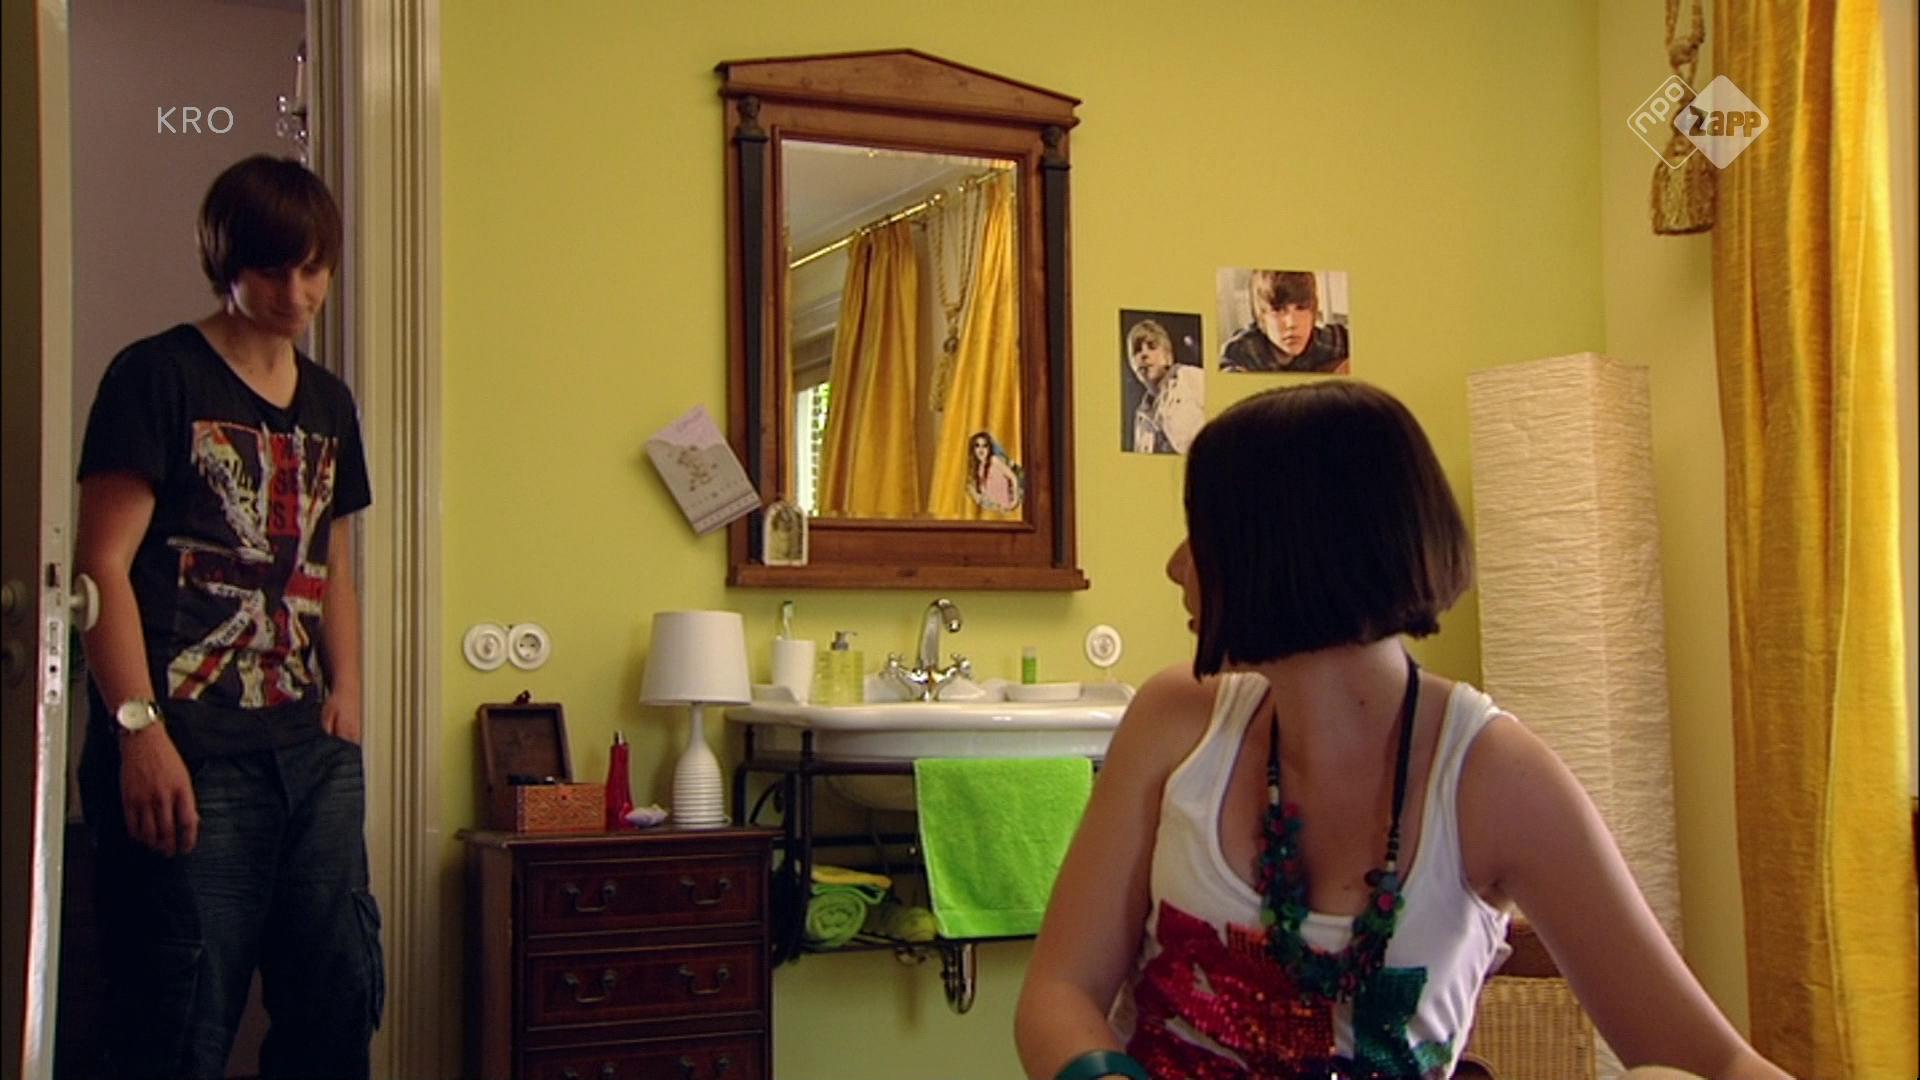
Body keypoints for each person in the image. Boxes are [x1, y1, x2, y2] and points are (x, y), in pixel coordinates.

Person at [1013, 382, 1788, 1080]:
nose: (1177, 566)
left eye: (1204, 533)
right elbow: (1059, 991)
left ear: (1288, 552)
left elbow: (1712, 1062)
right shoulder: (1173, 719)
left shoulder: (1499, 779)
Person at [74, 155, 381, 1080]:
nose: (299, 294)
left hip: (310, 749)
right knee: (177, 1019)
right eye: (273, 271)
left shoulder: (329, 401)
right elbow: (100, 567)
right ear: (227, 264)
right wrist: (139, 731)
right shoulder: (156, 375)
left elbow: (331, 565)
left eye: (315, 269)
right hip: (188, 745)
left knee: (337, 1003)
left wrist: (348, 695)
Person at [1220, 269, 1351, 374]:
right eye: (1277, 310)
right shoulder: (1241, 351)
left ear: (1313, 312)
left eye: (1301, 308)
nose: (1291, 323)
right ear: (1261, 316)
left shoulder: (1328, 340)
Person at [1126, 318, 1204, 454]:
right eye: (1137, 350)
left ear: (1167, 355)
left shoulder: (1191, 377)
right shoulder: (1141, 417)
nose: (1144, 354)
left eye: (1152, 347)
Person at [967, 430, 1022, 512]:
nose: (981, 449)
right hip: (994, 507)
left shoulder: (994, 460)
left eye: (985, 446)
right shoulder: (978, 466)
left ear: (989, 448)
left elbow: (1013, 477)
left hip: (1005, 506)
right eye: (977, 446)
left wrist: (1015, 500)